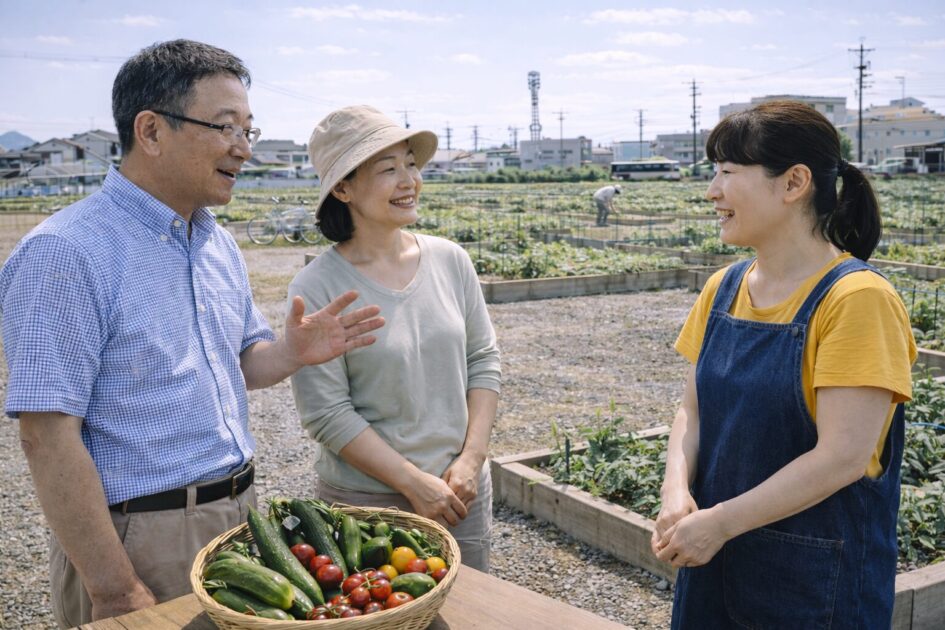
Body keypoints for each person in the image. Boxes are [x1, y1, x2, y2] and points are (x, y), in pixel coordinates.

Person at [0, 40, 383, 627]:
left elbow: (242, 364)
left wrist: (290, 353)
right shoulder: (65, 254)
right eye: (226, 127)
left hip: (236, 518)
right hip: (138, 534)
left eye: (250, 130)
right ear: (150, 131)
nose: (243, 149)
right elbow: (47, 438)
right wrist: (114, 587)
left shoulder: (213, 242)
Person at [651, 100, 916, 629]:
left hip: (815, 580)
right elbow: (692, 412)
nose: (712, 190)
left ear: (793, 183)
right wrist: (675, 491)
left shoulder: (856, 298)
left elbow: (842, 457)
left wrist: (720, 523)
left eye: (727, 171)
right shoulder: (723, 288)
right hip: (715, 556)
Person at [289, 106, 501, 571]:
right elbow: (327, 413)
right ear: (343, 188)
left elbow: (483, 361)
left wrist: (471, 460)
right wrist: (411, 482)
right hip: (365, 507)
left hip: (459, 491)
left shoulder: (451, 260)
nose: (409, 180)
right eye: (388, 169)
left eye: (410, 163)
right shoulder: (317, 287)